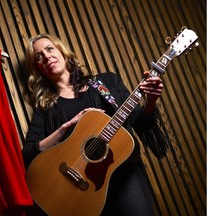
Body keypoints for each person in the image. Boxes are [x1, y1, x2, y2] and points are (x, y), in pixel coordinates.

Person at [22, 33, 168, 216]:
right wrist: (67, 126)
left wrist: (151, 100)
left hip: (124, 176)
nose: (46, 56)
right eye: (38, 56)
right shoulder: (46, 108)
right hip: (82, 192)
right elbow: (29, 153)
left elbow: (141, 123)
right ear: (37, 67)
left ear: (62, 51)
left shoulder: (106, 83)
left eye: (49, 48)